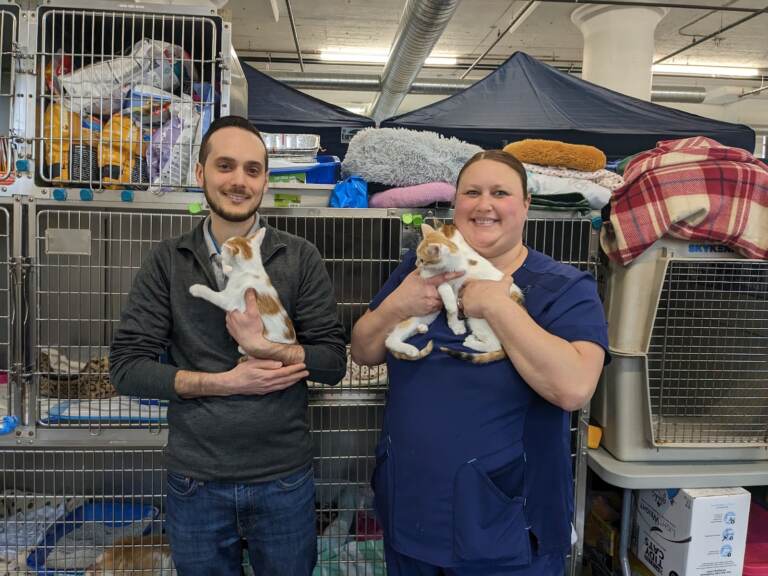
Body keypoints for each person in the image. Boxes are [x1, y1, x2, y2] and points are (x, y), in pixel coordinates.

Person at [350, 150, 609, 575]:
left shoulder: (563, 287)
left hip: (505, 525)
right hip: (412, 513)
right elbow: (363, 350)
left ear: (526, 205)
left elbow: (574, 388)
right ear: (456, 204)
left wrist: (497, 305)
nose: (484, 204)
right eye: (471, 192)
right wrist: (397, 303)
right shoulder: (418, 272)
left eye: (500, 192)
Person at [110, 115, 347, 576]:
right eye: (225, 166)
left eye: (253, 169)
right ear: (200, 174)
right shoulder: (168, 262)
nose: (239, 181)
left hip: (283, 478)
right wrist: (227, 383)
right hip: (196, 482)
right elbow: (127, 368)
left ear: (264, 180)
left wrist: (271, 350)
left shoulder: (298, 257)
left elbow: (332, 362)